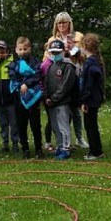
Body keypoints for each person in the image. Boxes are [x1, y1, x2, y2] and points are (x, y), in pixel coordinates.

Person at [46, 11, 89, 149]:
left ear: (69, 23)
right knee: (60, 111)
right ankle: (61, 142)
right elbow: (47, 60)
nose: (62, 25)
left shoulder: (78, 36)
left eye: (64, 22)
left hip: (75, 74)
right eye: (59, 22)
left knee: (75, 110)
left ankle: (79, 138)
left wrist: (73, 49)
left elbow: (84, 57)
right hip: (58, 77)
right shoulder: (52, 39)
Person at [8, 36, 44, 159]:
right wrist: (21, 84)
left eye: (25, 49)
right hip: (19, 99)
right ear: (16, 50)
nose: (23, 51)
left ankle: (39, 148)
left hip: (33, 98)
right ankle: (25, 148)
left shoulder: (35, 62)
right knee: (21, 125)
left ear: (30, 48)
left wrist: (27, 84)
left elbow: (38, 75)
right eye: (20, 49)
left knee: (35, 124)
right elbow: (13, 76)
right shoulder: (14, 64)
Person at [43, 38, 78, 160]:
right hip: (51, 102)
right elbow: (46, 82)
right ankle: (59, 146)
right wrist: (47, 97)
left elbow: (66, 86)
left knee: (63, 126)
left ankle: (66, 148)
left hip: (62, 102)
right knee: (55, 126)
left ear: (63, 51)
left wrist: (54, 98)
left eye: (57, 52)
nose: (55, 55)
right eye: (53, 52)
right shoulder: (51, 66)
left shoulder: (68, 66)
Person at [79, 33, 105, 160]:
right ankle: (97, 149)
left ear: (84, 46)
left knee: (90, 126)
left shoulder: (90, 63)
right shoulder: (95, 61)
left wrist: (84, 100)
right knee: (92, 124)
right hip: (94, 98)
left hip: (90, 100)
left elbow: (87, 84)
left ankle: (95, 151)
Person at [0, 40, 19, 153]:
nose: (0, 55)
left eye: (2, 52)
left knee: (14, 124)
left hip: (11, 101)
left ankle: (15, 143)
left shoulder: (13, 65)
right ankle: (5, 143)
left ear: (7, 52)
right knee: (3, 124)